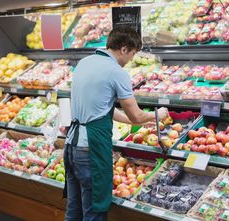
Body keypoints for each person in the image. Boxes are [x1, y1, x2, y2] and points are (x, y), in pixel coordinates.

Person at [63, 26, 169, 221]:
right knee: (93, 211)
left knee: (74, 209)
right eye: (132, 53)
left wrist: (131, 120)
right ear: (123, 49)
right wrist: (157, 114)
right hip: (91, 150)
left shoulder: (85, 63)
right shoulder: (116, 71)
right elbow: (137, 116)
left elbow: (101, 108)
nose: (130, 60)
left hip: (72, 146)